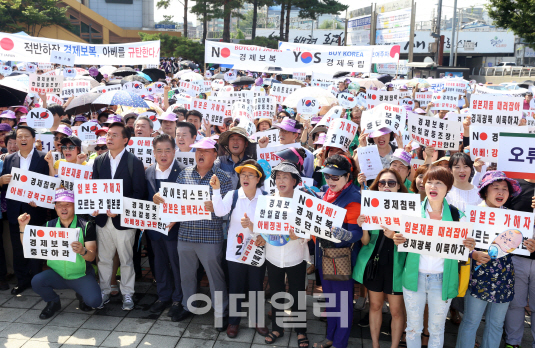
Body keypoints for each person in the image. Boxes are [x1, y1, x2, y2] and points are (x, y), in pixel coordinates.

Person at [393, 166, 476, 348]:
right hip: (415, 277)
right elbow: (401, 239)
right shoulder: (412, 213)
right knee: (413, 327)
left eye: (439, 183)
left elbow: (463, 250)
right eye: (429, 181)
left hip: (442, 279)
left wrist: (470, 246)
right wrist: (397, 238)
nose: (433, 186)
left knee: (437, 329)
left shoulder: (457, 217)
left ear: (448, 187)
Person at [154, 137, 231, 331]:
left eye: (205, 151)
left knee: (215, 277)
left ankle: (221, 311)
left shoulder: (223, 178)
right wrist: (160, 199)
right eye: (197, 151)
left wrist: (215, 205)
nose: (201, 155)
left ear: (215, 154)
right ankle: (189, 305)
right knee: (186, 275)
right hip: (186, 234)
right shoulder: (185, 174)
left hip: (210, 236)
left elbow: (228, 209)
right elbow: (174, 202)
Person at [456, 171, 535, 348]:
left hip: (504, 277)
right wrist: (473, 254)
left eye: (504, 189)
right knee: (471, 322)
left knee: (496, 324)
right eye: (495, 188)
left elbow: (524, 241)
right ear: (485, 191)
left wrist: (530, 245)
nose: (500, 192)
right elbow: (458, 244)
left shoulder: (514, 217)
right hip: (478, 276)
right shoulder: (471, 215)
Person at [18, 188, 101, 319]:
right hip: (57, 274)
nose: (63, 208)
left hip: (80, 275)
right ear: (55, 208)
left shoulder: (86, 226)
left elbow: (91, 256)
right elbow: (29, 248)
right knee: (37, 281)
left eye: (67, 204)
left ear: (74, 206)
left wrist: (82, 251)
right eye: (59, 205)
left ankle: (82, 295)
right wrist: (22, 227)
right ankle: (53, 302)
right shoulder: (48, 226)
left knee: (95, 301)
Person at [211, 159, 270, 338]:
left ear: (258, 179)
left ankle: (258, 320)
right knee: (236, 287)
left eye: (250, 175)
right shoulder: (233, 195)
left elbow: (270, 224)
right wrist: (215, 190)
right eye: (243, 174)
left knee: (256, 286)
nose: (245, 177)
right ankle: (233, 322)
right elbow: (219, 211)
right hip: (235, 250)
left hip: (257, 249)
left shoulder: (266, 198)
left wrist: (262, 235)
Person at [91, 122, 146, 310]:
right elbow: (94, 190)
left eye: (114, 135)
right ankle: (104, 291)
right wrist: (93, 206)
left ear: (125, 140)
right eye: (108, 134)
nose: (109, 138)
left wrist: (120, 208)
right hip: (102, 220)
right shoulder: (99, 161)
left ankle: (128, 294)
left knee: (126, 260)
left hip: (124, 221)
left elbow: (140, 193)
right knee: (104, 259)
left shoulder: (134, 162)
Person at [256, 161, 310, 347]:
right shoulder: (268, 200)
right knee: (277, 292)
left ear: (294, 181)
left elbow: (310, 230)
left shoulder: (304, 201)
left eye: (285, 176)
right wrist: (260, 236)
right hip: (273, 255)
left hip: (295, 255)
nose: (281, 180)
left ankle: (301, 330)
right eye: (278, 176)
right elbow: (261, 226)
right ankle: (277, 327)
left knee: (297, 293)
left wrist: (300, 234)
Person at [353, 169, 408, 348]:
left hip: (397, 265)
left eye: (391, 183)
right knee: (375, 306)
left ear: (399, 186)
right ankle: (375, 345)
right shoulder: (371, 206)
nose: (386, 186)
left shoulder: (409, 209)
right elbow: (366, 242)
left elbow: (411, 243)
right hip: (375, 263)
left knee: (396, 311)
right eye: (382, 183)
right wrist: (363, 227)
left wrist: (395, 235)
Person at [314, 155, 362, 348]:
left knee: (342, 303)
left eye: (336, 177)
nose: (330, 181)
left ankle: (339, 343)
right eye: (327, 176)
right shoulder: (326, 191)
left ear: (347, 176)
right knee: (330, 300)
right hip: (323, 253)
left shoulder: (353, 197)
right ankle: (330, 337)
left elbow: (357, 233)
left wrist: (345, 235)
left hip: (341, 257)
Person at [0, 125, 49, 295]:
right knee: (17, 248)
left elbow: (49, 185)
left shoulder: (44, 158)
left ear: (33, 139)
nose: (22, 139)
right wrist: (1, 180)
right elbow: (7, 187)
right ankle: (21, 281)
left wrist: (41, 200)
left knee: (35, 247)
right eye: (19, 136)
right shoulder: (9, 159)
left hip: (36, 210)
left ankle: (36, 280)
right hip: (15, 211)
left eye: (26, 136)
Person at [145, 134, 185, 317]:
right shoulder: (148, 172)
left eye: (167, 150)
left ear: (174, 151)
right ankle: (163, 296)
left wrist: (175, 219)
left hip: (175, 228)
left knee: (177, 265)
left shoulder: (183, 172)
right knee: (159, 264)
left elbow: (187, 202)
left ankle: (178, 298)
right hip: (154, 228)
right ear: (153, 153)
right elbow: (142, 199)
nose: (163, 154)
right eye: (159, 150)